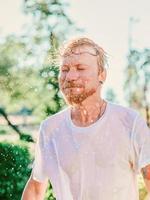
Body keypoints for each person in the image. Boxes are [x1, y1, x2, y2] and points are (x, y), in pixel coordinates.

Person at [21, 37, 150, 200]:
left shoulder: (129, 122)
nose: (70, 76)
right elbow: (35, 188)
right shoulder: (50, 129)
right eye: (65, 69)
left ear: (102, 75)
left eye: (80, 68)